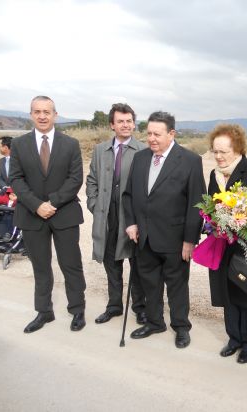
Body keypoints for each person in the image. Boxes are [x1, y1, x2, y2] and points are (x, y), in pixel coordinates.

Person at [123, 111, 205, 348]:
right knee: (150, 283)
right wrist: (131, 223)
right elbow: (129, 195)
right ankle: (154, 322)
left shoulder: (189, 160)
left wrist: (190, 240)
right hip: (144, 237)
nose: (151, 139)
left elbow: (195, 204)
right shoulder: (140, 159)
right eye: (148, 133)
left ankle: (181, 327)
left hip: (175, 239)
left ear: (171, 134)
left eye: (157, 134)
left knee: (177, 286)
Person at [9, 95, 86, 333]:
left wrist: (51, 203)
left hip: (64, 214)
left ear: (55, 115)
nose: (42, 116)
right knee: (40, 266)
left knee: (71, 264)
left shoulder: (70, 144)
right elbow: (16, 179)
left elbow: (75, 179)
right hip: (32, 215)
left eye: (47, 111)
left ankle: (77, 310)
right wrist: (36, 205)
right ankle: (44, 311)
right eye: (37, 111)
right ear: (31, 114)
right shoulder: (19, 145)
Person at [207, 124, 247, 364]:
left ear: (238, 149)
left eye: (224, 151)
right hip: (223, 246)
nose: (219, 156)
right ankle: (233, 338)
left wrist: (243, 221)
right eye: (215, 151)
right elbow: (211, 210)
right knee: (228, 294)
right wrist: (214, 222)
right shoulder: (214, 175)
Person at [86, 103, 147, 325]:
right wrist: (94, 204)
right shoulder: (100, 150)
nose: (125, 125)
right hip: (107, 217)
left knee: (137, 265)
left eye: (129, 121)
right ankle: (114, 306)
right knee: (111, 263)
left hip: (132, 219)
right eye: (120, 121)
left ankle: (140, 307)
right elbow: (92, 179)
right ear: (112, 125)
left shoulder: (143, 150)